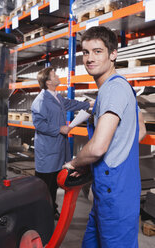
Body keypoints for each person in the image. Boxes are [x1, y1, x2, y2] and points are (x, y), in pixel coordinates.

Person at [63, 26, 146, 247]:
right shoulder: (121, 86)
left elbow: (99, 147)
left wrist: (74, 162)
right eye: (86, 52)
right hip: (113, 192)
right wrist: (112, 154)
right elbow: (140, 130)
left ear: (113, 54)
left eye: (98, 51)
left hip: (114, 193)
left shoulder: (113, 90)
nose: (89, 58)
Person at [31, 66, 93, 220]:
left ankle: (51, 210)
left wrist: (89, 105)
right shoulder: (41, 100)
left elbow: (70, 104)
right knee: (44, 185)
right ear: (48, 82)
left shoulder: (56, 97)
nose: (57, 76)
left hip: (57, 148)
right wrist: (59, 129)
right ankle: (42, 213)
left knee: (53, 184)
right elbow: (39, 124)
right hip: (47, 150)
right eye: (54, 74)